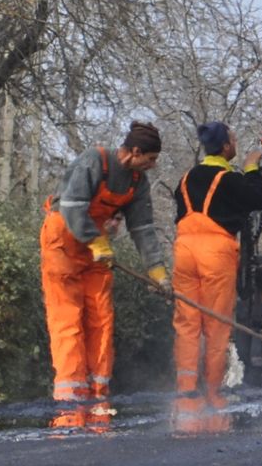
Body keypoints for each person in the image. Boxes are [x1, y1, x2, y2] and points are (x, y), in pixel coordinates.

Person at [39, 121, 168, 407]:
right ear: (134, 152)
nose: (152, 165)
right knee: (68, 318)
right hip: (63, 240)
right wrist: (94, 240)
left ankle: (98, 393)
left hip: (97, 249)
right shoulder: (94, 161)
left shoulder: (137, 182)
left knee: (101, 317)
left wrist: (157, 271)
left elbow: (143, 228)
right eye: (151, 159)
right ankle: (70, 395)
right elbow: (72, 205)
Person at [171, 122, 262, 420]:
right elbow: (259, 199)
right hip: (215, 254)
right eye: (234, 140)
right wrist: (252, 167)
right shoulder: (229, 179)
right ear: (226, 147)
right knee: (216, 325)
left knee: (187, 323)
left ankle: (187, 391)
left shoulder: (186, 179)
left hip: (184, 251)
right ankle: (213, 392)